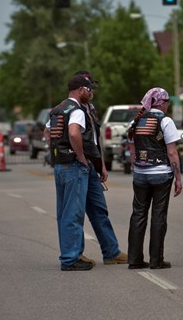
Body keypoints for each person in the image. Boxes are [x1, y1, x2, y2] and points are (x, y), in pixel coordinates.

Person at [49, 73, 127, 271]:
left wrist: (99, 164)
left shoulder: (63, 109)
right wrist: (80, 156)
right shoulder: (75, 109)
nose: (91, 93)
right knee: (72, 213)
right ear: (80, 90)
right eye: (89, 89)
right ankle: (70, 258)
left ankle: (111, 252)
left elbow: (48, 132)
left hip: (84, 166)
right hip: (76, 166)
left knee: (98, 209)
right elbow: (74, 133)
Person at [127, 87, 182, 270]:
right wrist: (178, 178)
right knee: (158, 216)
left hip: (141, 175)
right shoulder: (165, 121)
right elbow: (172, 153)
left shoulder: (136, 121)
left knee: (138, 215)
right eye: (167, 102)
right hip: (161, 174)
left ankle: (134, 259)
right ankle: (156, 260)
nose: (168, 105)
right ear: (161, 102)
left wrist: (137, 168)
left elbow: (132, 152)